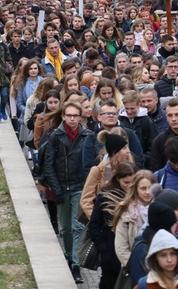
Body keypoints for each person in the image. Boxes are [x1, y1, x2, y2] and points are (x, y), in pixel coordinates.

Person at [43, 100, 94, 283]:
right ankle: (68, 253)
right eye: (69, 115)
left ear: (80, 117)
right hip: (62, 186)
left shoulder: (88, 135)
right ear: (63, 116)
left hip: (79, 186)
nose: (72, 119)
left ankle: (75, 264)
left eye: (75, 115)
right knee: (65, 228)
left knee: (77, 226)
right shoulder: (56, 136)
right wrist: (55, 188)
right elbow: (49, 164)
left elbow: (91, 163)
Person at [88, 162, 137, 289]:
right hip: (111, 255)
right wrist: (103, 248)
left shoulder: (139, 196)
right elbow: (94, 225)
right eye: (126, 182)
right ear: (117, 179)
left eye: (132, 182)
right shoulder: (105, 197)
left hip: (133, 253)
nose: (129, 186)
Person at [80, 131, 134, 221]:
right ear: (116, 152)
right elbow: (86, 200)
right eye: (124, 148)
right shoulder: (97, 171)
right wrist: (97, 218)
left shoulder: (130, 168)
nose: (128, 151)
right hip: (104, 222)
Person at [114, 170, 156, 267]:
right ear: (136, 189)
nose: (147, 192)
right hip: (135, 266)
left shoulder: (162, 208)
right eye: (143, 188)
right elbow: (121, 247)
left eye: (150, 188)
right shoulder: (126, 211)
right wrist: (135, 266)